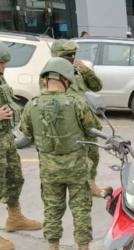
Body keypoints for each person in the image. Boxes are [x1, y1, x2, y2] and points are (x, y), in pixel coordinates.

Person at [20, 57, 102, 250]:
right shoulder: (76, 103)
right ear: (66, 80)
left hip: (49, 169)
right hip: (76, 168)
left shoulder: (32, 105)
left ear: (45, 79)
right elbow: (94, 129)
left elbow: (26, 133)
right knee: (81, 209)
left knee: (52, 209)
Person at [0, 39, 42, 250]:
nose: (5, 67)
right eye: (1, 63)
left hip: (5, 139)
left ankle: (15, 217)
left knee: (15, 179)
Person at [50, 39, 111, 198]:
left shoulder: (77, 70)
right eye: (68, 55)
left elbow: (97, 86)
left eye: (73, 54)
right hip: (69, 122)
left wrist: (86, 70)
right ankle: (76, 190)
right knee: (75, 159)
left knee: (93, 154)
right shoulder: (51, 73)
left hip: (86, 120)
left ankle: (91, 185)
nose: (72, 57)